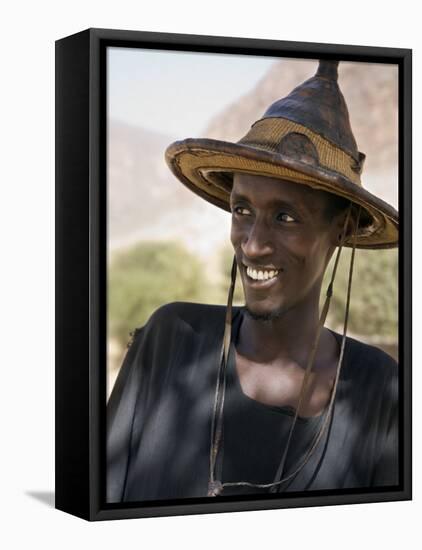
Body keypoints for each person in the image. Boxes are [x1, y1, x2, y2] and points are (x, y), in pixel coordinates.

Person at [106, 60, 399, 503]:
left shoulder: (381, 391)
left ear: (341, 229)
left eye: (285, 217)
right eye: (242, 210)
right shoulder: (171, 339)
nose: (254, 244)